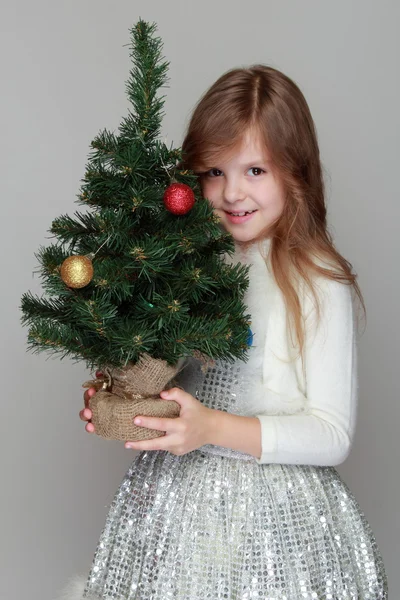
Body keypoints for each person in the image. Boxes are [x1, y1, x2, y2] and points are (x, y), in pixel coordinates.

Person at [61, 65, 388, 599]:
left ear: (295, 172)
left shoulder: (316, 282)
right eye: (214, 171)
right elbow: (167, 374)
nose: (232, 191)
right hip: (173, 511)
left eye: (255, 170)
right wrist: (124, 393)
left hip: (276, 521)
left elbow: (332, 434)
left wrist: (211, 428)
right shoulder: (190, 268)